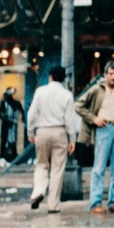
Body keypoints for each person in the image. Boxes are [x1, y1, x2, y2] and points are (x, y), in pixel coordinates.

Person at [76, 61, 114, 216]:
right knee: (99, 168)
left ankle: (113, 202)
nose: (113, 77)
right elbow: (78, 105)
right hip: (103, 129)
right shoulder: (97, 90)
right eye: (111, 74)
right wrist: (94, 119)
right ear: (106, 75)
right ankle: (96, 202)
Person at [26, 65, 76, 213]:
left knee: (41, 164)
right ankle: (53, 205)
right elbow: (70, 120)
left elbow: (32, 114)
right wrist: (72, 138)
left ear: (51, 76)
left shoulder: (40, 92)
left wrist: (30, 133)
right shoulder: (67, 95)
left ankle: (39, 191)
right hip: (60, 132)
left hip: (42, 131)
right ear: (63, 79)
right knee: (57, 169)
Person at [0, 87, 25, 163]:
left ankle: (14, 156)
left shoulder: (17, 103)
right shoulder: (4, 103)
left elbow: (22, 112)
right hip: (6, 123)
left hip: (13, 123)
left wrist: (23, 118)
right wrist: (4, 117)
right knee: (4, 140)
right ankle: (2, 156)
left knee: (13, 140)